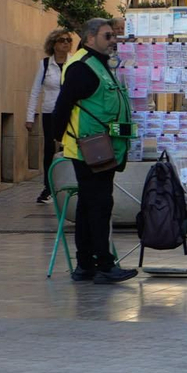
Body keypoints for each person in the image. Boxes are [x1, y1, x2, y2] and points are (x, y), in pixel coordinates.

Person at [47, 17, 137, 284]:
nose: (113, 40)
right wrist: (59, 139)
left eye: (114, 36)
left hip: (102, 147)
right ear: (89, 38)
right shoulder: (82, 67)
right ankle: (104, 265)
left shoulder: (100, 64)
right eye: (107, 36)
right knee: (99, 205)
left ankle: (85, 265)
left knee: (89, 205)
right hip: (90, 148)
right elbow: (62, 107)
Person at [27, 28, 74, 204]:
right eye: (62, 40)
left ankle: (67, 185)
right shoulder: (45, 64)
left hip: (70, 113)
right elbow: (35, 91)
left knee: (67, 149)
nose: (66, 43)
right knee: (49, 150)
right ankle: (48, 188)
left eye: (68, 40)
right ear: (53, 44)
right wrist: (29, 116)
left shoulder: (74, 62)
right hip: (50, 112)